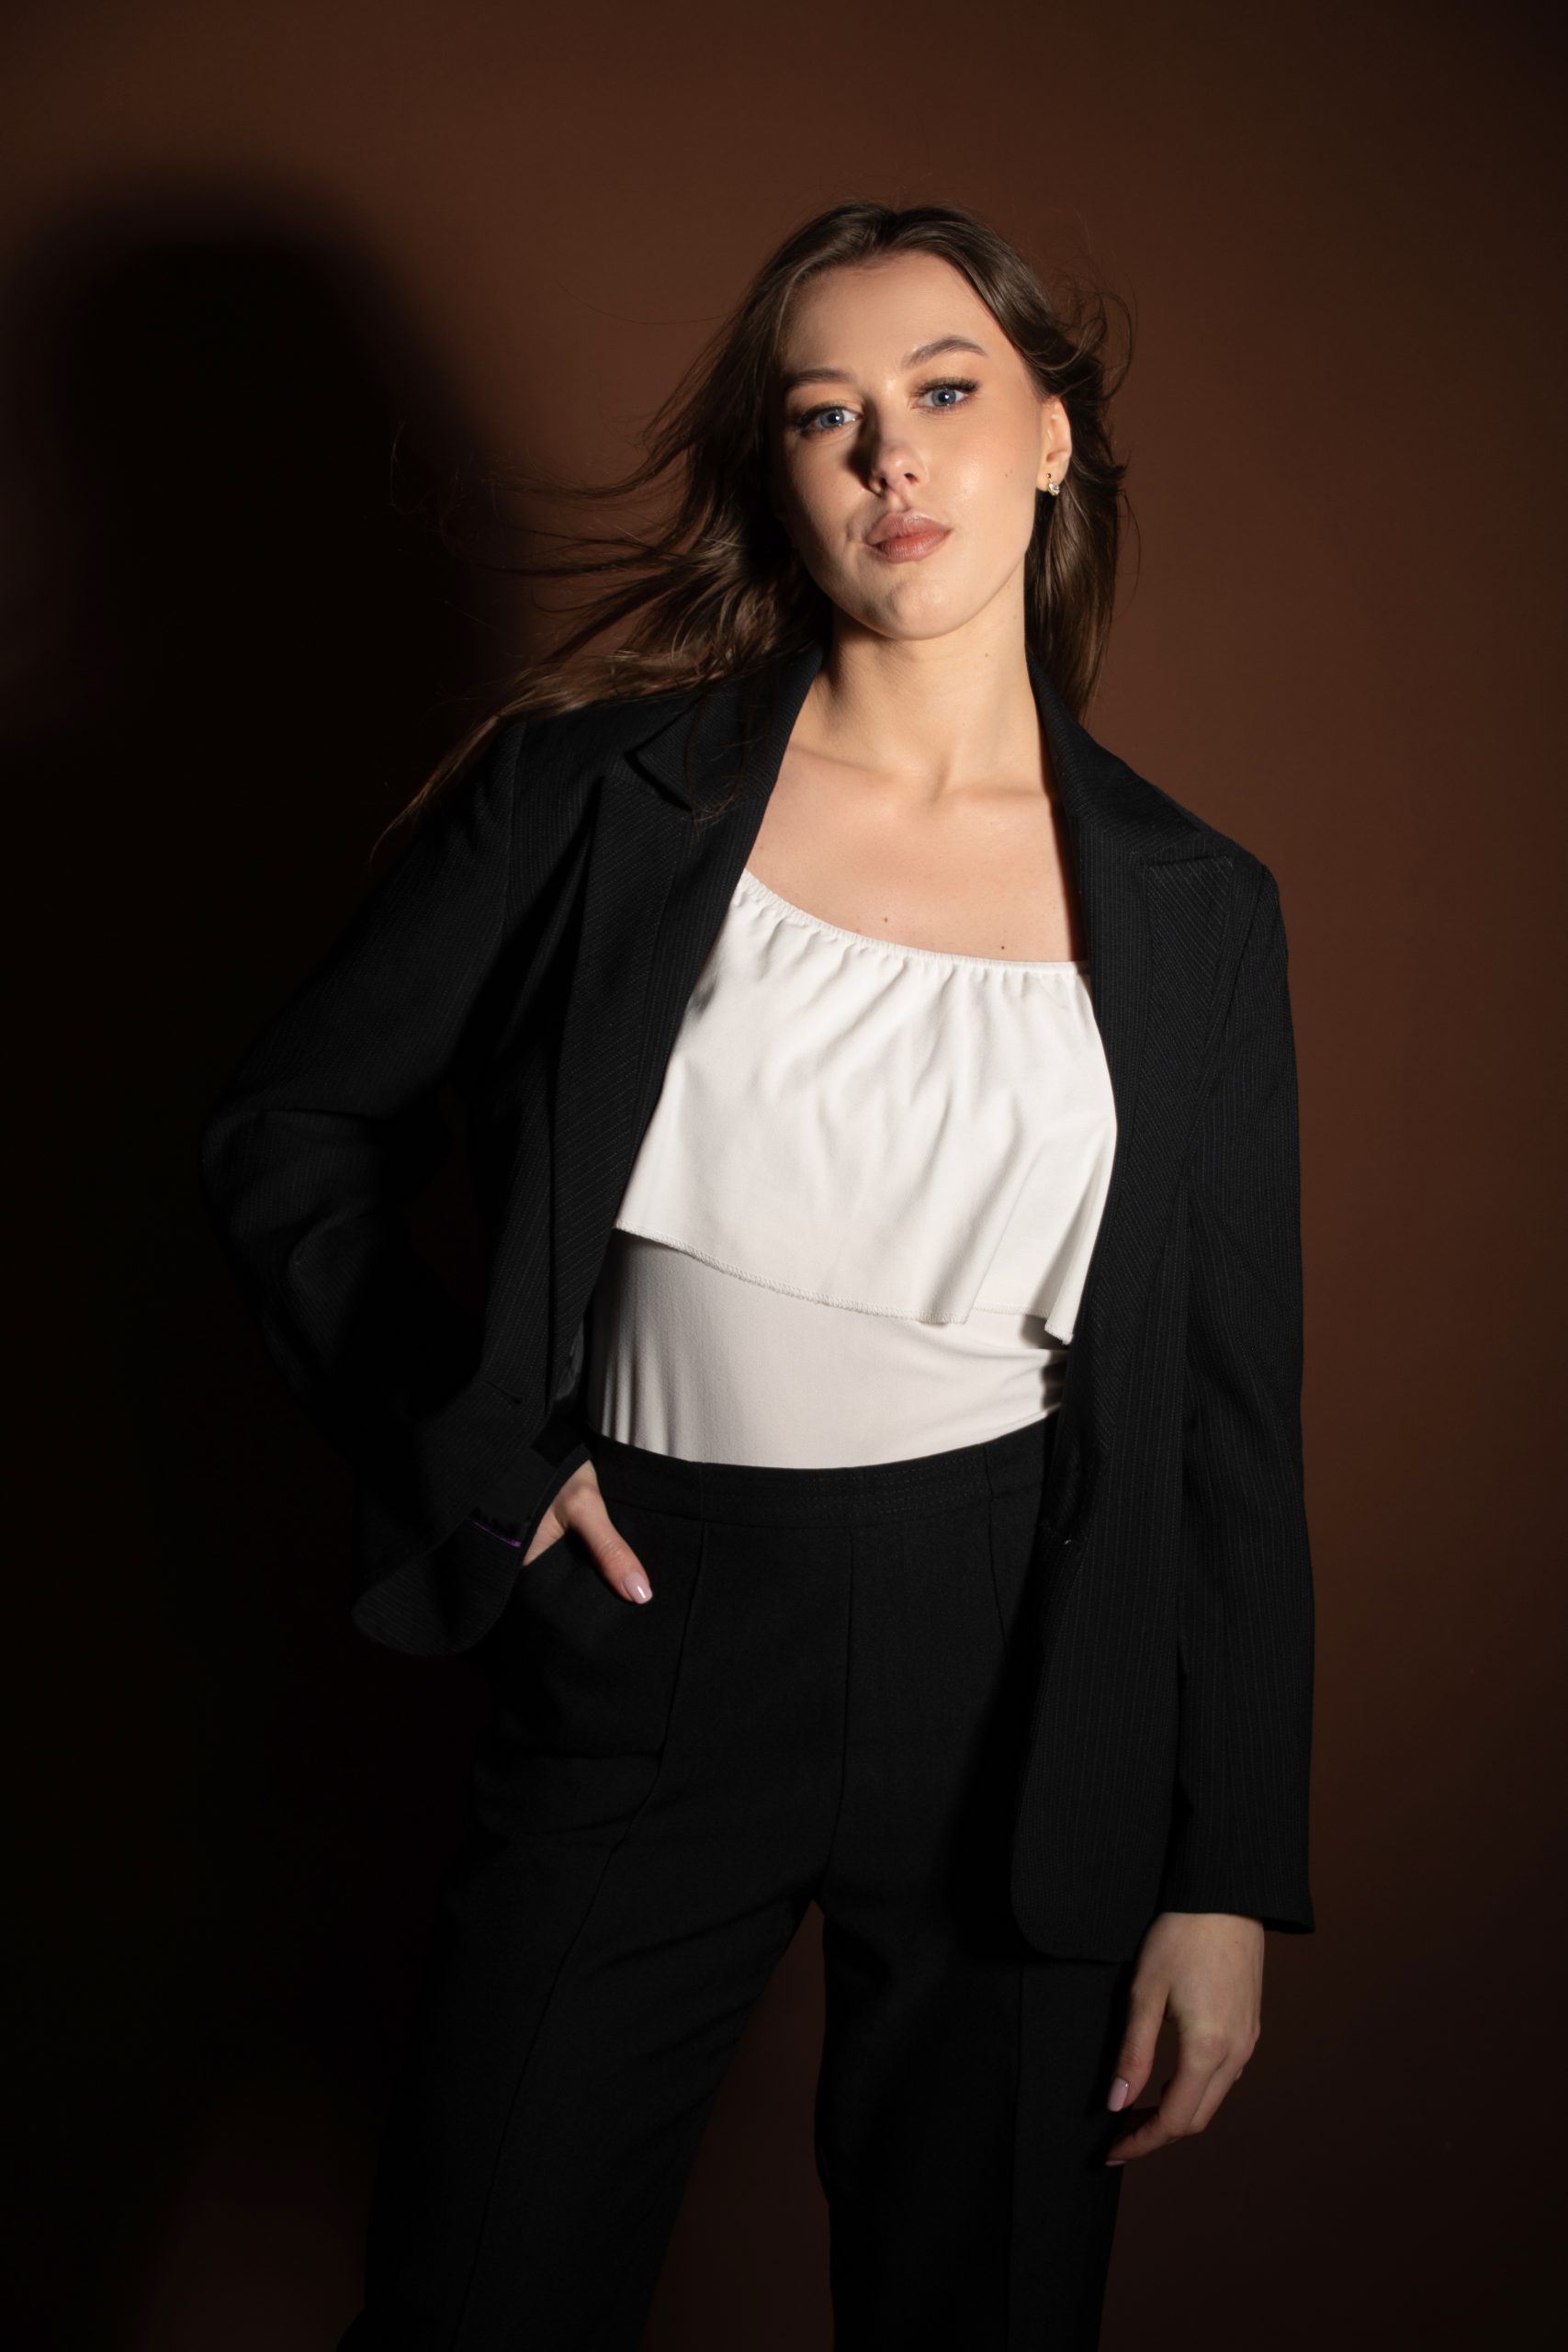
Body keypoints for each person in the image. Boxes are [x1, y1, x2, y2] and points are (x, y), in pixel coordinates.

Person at [200, 198, 1315, 2352]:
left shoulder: (1197, 907)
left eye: (943, 390)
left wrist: (1223, 1869)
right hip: (646, 1626)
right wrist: (475, 1441)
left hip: (1025, 1677)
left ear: (1049, 438)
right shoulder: (589, 799)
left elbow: (1223, 1419)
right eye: (826, 413)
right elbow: (286, 1132)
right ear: (782, 476)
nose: (890, 454)